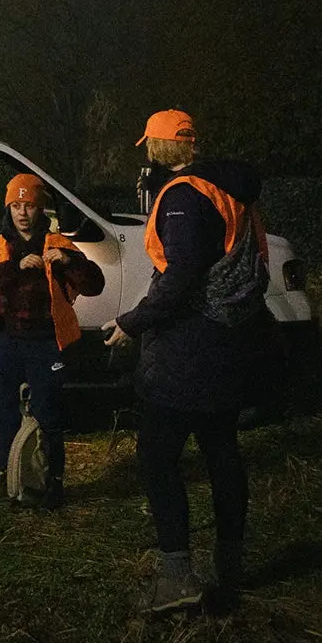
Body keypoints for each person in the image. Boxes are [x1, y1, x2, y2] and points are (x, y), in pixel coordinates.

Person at [102, 109, 264, 613]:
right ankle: (230, 565)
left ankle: (177, 575)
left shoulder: (182, 197)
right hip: (229, 339)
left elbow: (180, 276)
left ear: (155, 147)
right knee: (222, 451)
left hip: (187, 349)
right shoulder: (230, 191)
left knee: (157, 457)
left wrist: (132, 322)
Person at [0, 172, 104, 510]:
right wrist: (15, 266)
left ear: (39, 209)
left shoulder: (58, 244)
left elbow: (94, 284)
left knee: (48, 414)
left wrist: (71, 261)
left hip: (47, 342)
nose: (21, 213)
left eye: (28, 205)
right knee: (5, 414)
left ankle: (52, 483)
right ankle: (9, 480)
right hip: (6, 341)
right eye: (15, 205)